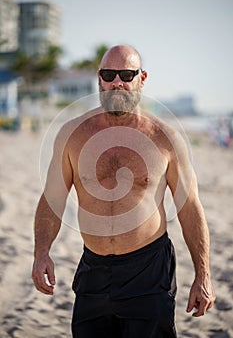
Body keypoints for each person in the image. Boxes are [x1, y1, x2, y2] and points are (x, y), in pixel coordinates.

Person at [32, 44, 215, 338]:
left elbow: (190, 207)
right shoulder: (72, 134)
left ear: (141, 78)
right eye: (109, 74)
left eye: (126, 74)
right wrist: (41, 253)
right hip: (93, 269)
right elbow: (52, 198)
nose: (117, 81)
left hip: (149, 271)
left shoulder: (166, 138)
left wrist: (203, 275)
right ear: (99, 78)